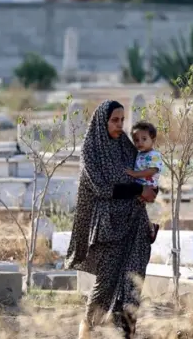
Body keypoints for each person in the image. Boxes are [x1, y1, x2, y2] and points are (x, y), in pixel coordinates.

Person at [65, 100, 157, 339]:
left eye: (122, 120)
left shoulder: (126, 146)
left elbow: (145, 178)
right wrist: (139, 191)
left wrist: (151, 192)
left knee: (133, 284)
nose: (119, 125)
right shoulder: (91, 151)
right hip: (108, 226)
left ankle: (127, 333)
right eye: (114, 120)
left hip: (135, 222)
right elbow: (103, 188)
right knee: (105, 286)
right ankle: (86, 331)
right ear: (102, 121)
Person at [126, 121, 163, 244]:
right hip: (140, 186)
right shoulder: (139, 154)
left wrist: (135, 174)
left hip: (149, 187)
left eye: (144, 139)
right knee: (137, 208)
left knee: (136, 206)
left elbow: (152, 170)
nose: (140, 142)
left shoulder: (154, 155)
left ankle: (149, 228)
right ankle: (150, 227)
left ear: (153, 139)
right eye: (136, 140)